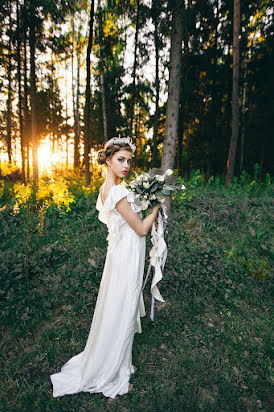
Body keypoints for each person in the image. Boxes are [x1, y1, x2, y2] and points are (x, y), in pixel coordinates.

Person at [50, 136, 160, 399]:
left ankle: (116, 357)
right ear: (108, 160)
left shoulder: (106, 188)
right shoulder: (119, 192)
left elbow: (124, 221)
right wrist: (157, 208)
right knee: (122, 306)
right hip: (127, 255)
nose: (126, 166)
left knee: (117, 304)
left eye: (129, 161)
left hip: (120, 253)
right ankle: (113, 370)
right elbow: (141, 228)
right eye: (120, 160)